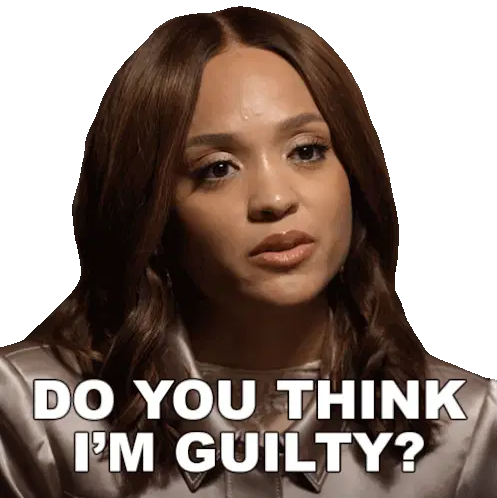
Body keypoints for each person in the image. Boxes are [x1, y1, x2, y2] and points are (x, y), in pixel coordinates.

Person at [0, 7, 495, 498]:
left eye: (306, 151)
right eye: (217, 168)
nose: (275, 199)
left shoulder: (469, 427)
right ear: (151, 211)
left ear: (353, 173)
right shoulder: (34, 413)